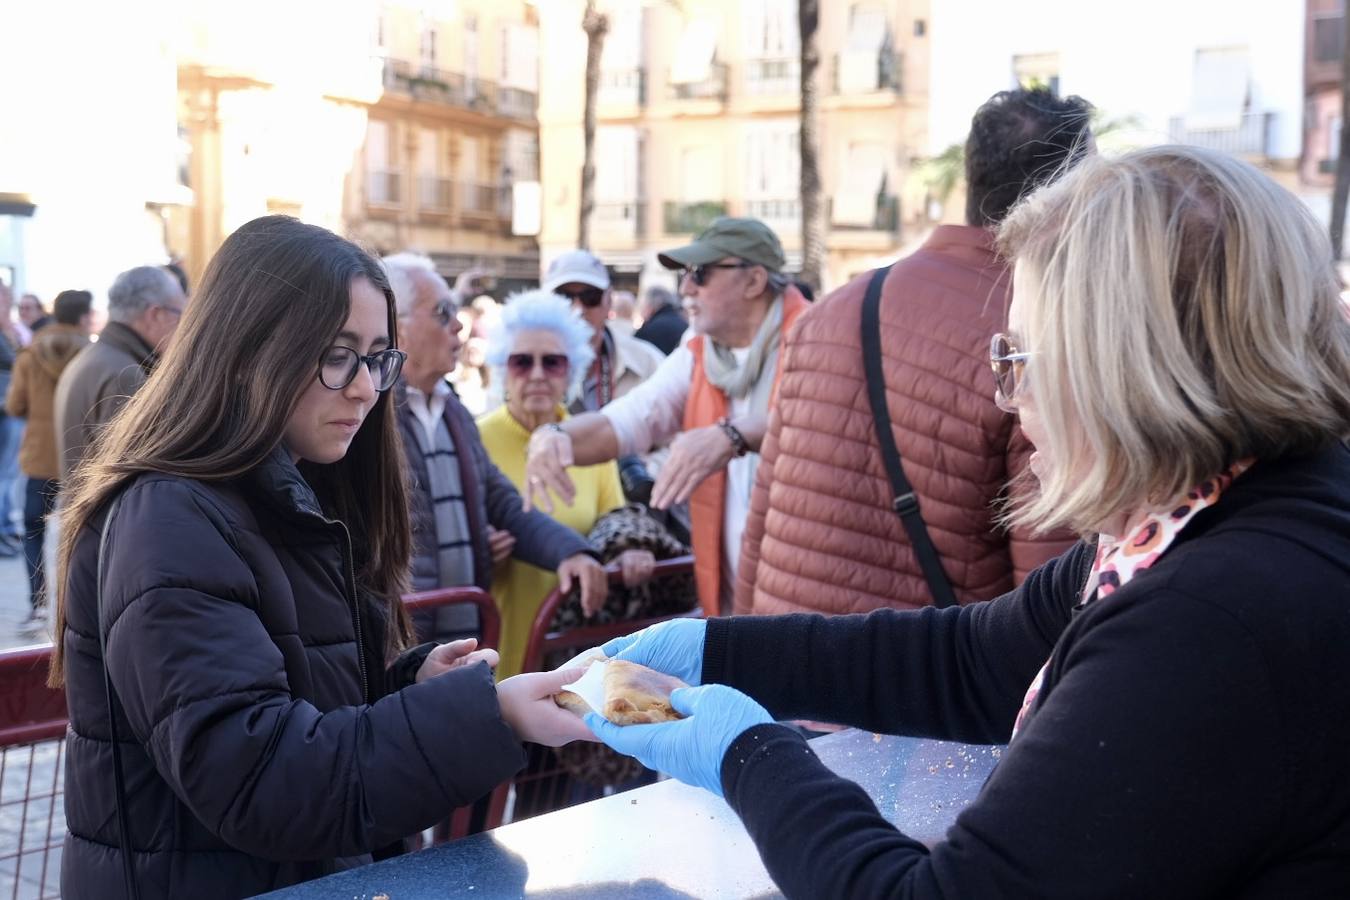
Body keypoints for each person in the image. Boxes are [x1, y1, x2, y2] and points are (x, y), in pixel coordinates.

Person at [586, 146, 1350, 896]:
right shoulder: (1215, 518)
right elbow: (975, 660)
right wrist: (716, 651)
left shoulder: (1205, 619)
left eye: (1018, 360)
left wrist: (745, 754)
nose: (1007, 399)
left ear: (1119, 369)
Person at [49, 216, 594, 899]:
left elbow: (291, 702)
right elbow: (261, 779)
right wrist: (489, 717)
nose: (366, 387)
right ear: (249, 349)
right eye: (338, 355)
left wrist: (405, 687)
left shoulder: (290, 488)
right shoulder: (169, 517)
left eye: (374, 358)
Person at [737, 87, 1088, 618]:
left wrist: (741, 661)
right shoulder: (1031, 339)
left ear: (975, 177)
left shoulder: (828, 312)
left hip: (779, 676)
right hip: (919, 691)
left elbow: (759, 524)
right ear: (1071, 193)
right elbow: (1049, 605)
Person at [525, 219, 808, 615]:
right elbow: (625, 420)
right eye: (685, 275)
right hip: (733, 602)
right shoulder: (698, 352)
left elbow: (823, 430)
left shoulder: (817, 337)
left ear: (754, 280)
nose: (686, 288)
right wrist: (556, 436)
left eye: (701, 274)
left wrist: (733, 435)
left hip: (809, 595)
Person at [382, 252, 608, 649]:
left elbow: (503, 502)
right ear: (397, 330)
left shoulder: (454, 413)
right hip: (400, 646)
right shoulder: (369, 419)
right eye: (442, 312)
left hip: (462, 641)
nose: (458, 324)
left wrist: (571, 552)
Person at [477, 290, 656, 678]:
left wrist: (628, 552)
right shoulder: (476, 441)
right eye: (522, 362)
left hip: (577, 652)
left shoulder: (586, 443)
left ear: (571, 370)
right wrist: (481, 550)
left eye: (553, 362)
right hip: (499, 647)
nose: (538, 374)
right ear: (503, 371)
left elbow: (614, 521)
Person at [54, 265, 186, 481]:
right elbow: (134, 475)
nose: (183, 326)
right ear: (155, 314)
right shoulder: (124, 373)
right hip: (102, 512)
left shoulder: (98, 356)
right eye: (180, 314)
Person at [7, 289, 92, 619]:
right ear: (82, 317)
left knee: (33, 530)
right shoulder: (93, 354)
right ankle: (77, 604)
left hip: (40, 457)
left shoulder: (30, 354)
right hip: (81, 457)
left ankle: (38, 603)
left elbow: (15, 405)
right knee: (82, 533)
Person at [541, 250, 664, 414]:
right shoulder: (522, 364)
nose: (578, 309)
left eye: (590, 297)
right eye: (565, 297)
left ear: (609, 301)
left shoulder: (647, 362)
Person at [0, 285, 25, 554]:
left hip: (11, 409)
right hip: (5, 408)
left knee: (8, 473)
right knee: (4, 474)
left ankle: (5, 527)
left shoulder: (10, 330)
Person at [633, 284, 687, 355]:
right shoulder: (684, 324)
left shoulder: (649, 330)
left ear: (650, 306)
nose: (641, 312)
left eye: (642, 306)